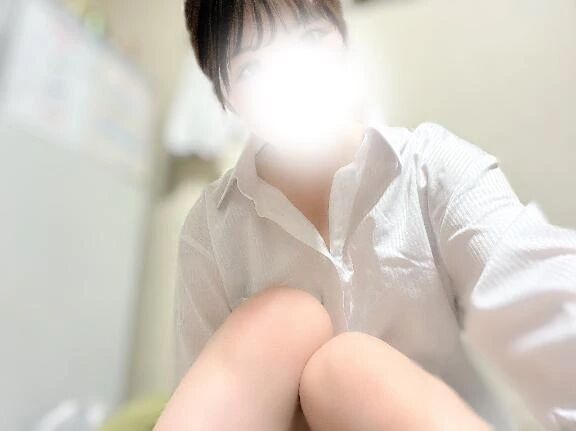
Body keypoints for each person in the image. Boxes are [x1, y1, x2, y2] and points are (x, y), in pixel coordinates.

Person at [154, 1, 576, 430]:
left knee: (343, 370)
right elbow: (202, 394)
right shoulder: (213, 231)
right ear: (224, 95)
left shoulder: (430, 171)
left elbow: (549, 309)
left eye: (309, 38)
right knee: (280, 321)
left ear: (342, 38)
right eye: (251, 68)